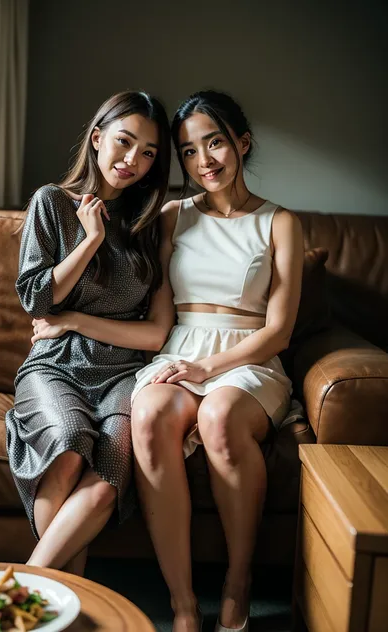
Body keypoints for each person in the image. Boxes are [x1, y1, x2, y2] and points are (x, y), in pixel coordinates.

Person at [130, 90, 304, 632]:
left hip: (250, 357)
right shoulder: (171, 217)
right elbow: (160, 314)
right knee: (152, 413)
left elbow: (279, 330)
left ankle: (238, 581)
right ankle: (182, 603)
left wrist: (212, 368)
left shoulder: (280, 223)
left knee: (220, 416)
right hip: (182, 347)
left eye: (215, 143)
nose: (203, 161)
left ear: (241, 144)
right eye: (187, 151)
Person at [5, 90, 175, 575]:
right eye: (124, 142)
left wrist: (76, 320)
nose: (132, 160)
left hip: (124, 375)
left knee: (108, 476)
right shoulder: (52, 203)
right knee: (68, 440)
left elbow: (153, 333)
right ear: (97, 137)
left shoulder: (149, 224)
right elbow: (36, 298)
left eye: (148, 153)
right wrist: (91, 239)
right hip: (55, 365)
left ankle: (29, 589)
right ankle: (65, 606)